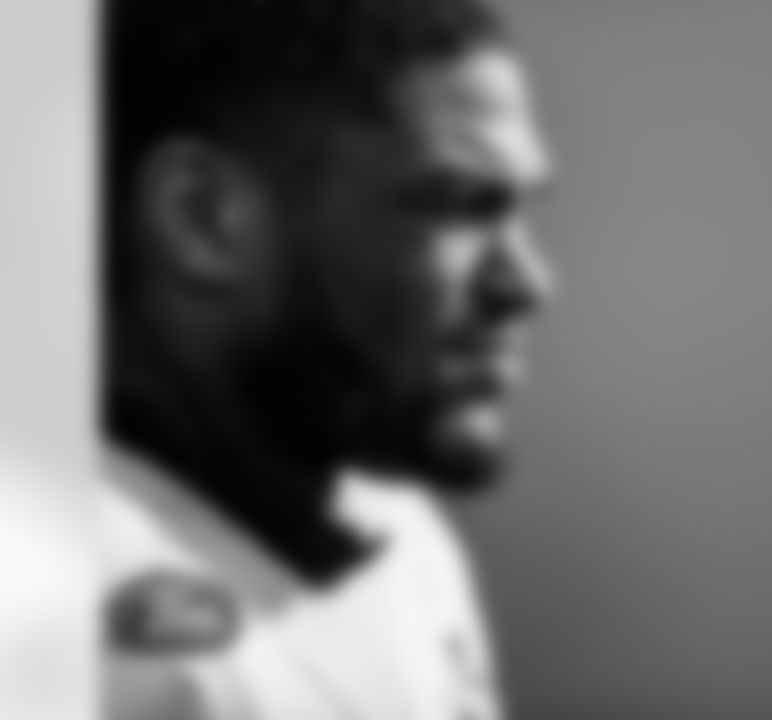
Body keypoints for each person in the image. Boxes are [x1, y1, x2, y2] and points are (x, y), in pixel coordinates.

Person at [100, 0, 557, 716]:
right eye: (457, 204)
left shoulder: (405, 538)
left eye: (522, 210)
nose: (529, 283)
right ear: (202, 216)